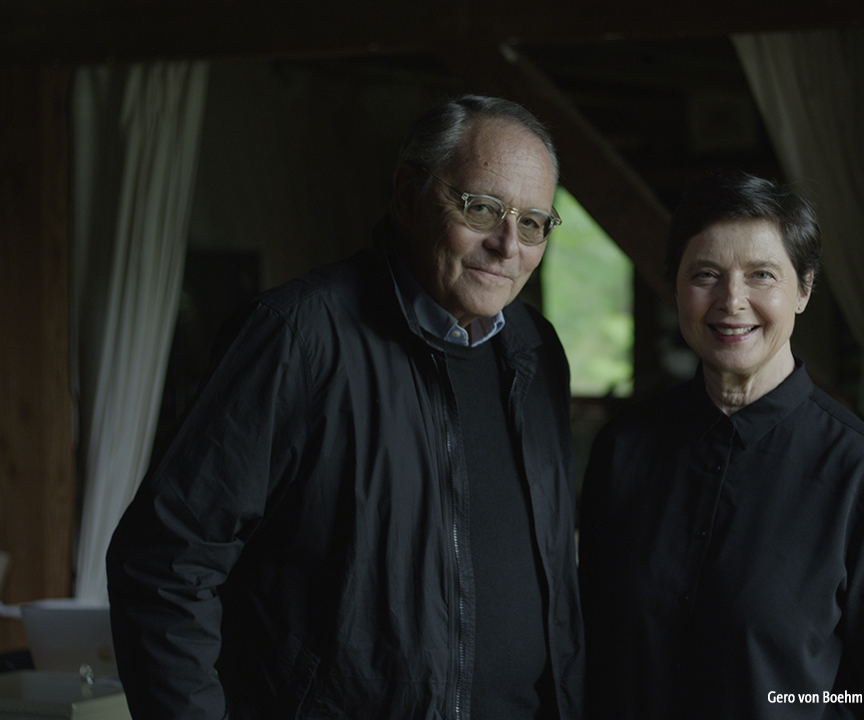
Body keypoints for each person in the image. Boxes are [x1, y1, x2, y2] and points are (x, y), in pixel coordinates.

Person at [107, 95, 584, 720]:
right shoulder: (297, 337)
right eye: (482, 208)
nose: (506, 244)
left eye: (531, 223)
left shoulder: (536, 350)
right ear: (408, 196)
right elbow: (166, 561)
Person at [578, 171, 864, 719]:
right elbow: (588, 648)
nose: (732, 300)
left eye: (761, 275)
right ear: (676, 286)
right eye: (706, 274)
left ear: (804, 289)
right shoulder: (623, 450)